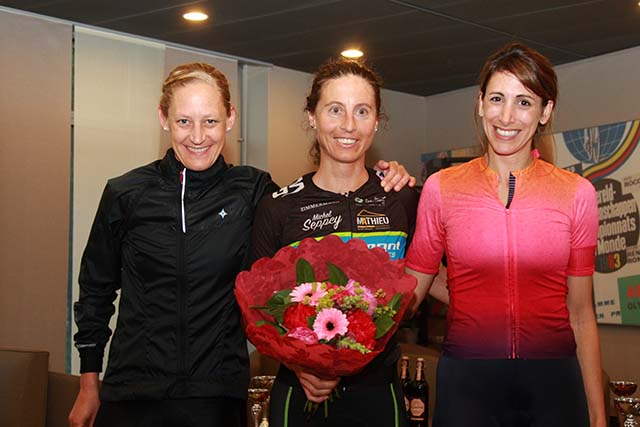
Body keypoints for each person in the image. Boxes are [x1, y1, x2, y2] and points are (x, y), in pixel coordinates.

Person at [68, 62, 414, 427]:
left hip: (217, 395)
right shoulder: (125, 194)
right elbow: (95, 291)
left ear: (230, 118)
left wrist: (388, 176)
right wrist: (89, 385)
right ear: (163, 118)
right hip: (132, 392)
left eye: (210, 121)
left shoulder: (253, 191)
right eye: (184, 121)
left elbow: (301, 237)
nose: (198, 136)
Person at [405, 42, 606, 427]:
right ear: (480, 103)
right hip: (467, 384)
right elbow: (410, 292)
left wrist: (598, 416)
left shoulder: (576, 193)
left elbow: (581, 315)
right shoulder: (441, 188)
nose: (507, 116)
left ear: (545, 111)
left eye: (524, 102)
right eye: (497, 98)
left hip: (554, 386)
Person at [250, 59, 419, 427]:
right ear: (312, 116)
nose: (349, 125)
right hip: (301, 391)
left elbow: (426, 279)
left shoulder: (403, 198)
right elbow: (259, 311)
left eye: (362, 111)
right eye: (335, 110)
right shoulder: (278, 208)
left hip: (379, 393)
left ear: (376, 121)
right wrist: (300, 365)